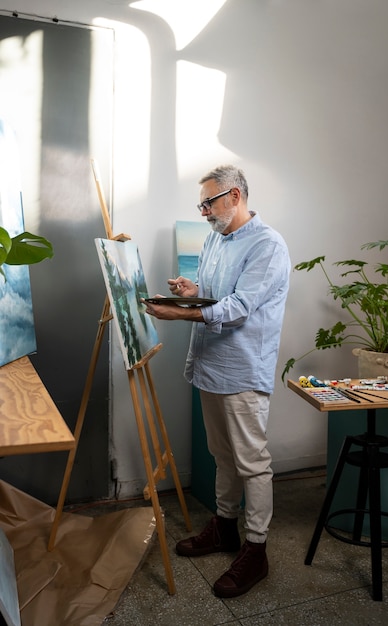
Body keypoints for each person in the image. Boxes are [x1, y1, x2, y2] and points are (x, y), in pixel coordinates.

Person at [144, 164, 290, 598]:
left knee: (252, 462)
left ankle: (256, 549)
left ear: (235, 196)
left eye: (209, 201)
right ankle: (225, 528)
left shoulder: (268, 245)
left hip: (243, 370)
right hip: (211, 365)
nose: (204, 210)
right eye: (201, 203)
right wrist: (190, 292)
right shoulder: (214, 238)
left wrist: (180, 314)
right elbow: (215, 295)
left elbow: (241, 306)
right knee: (222, 455)